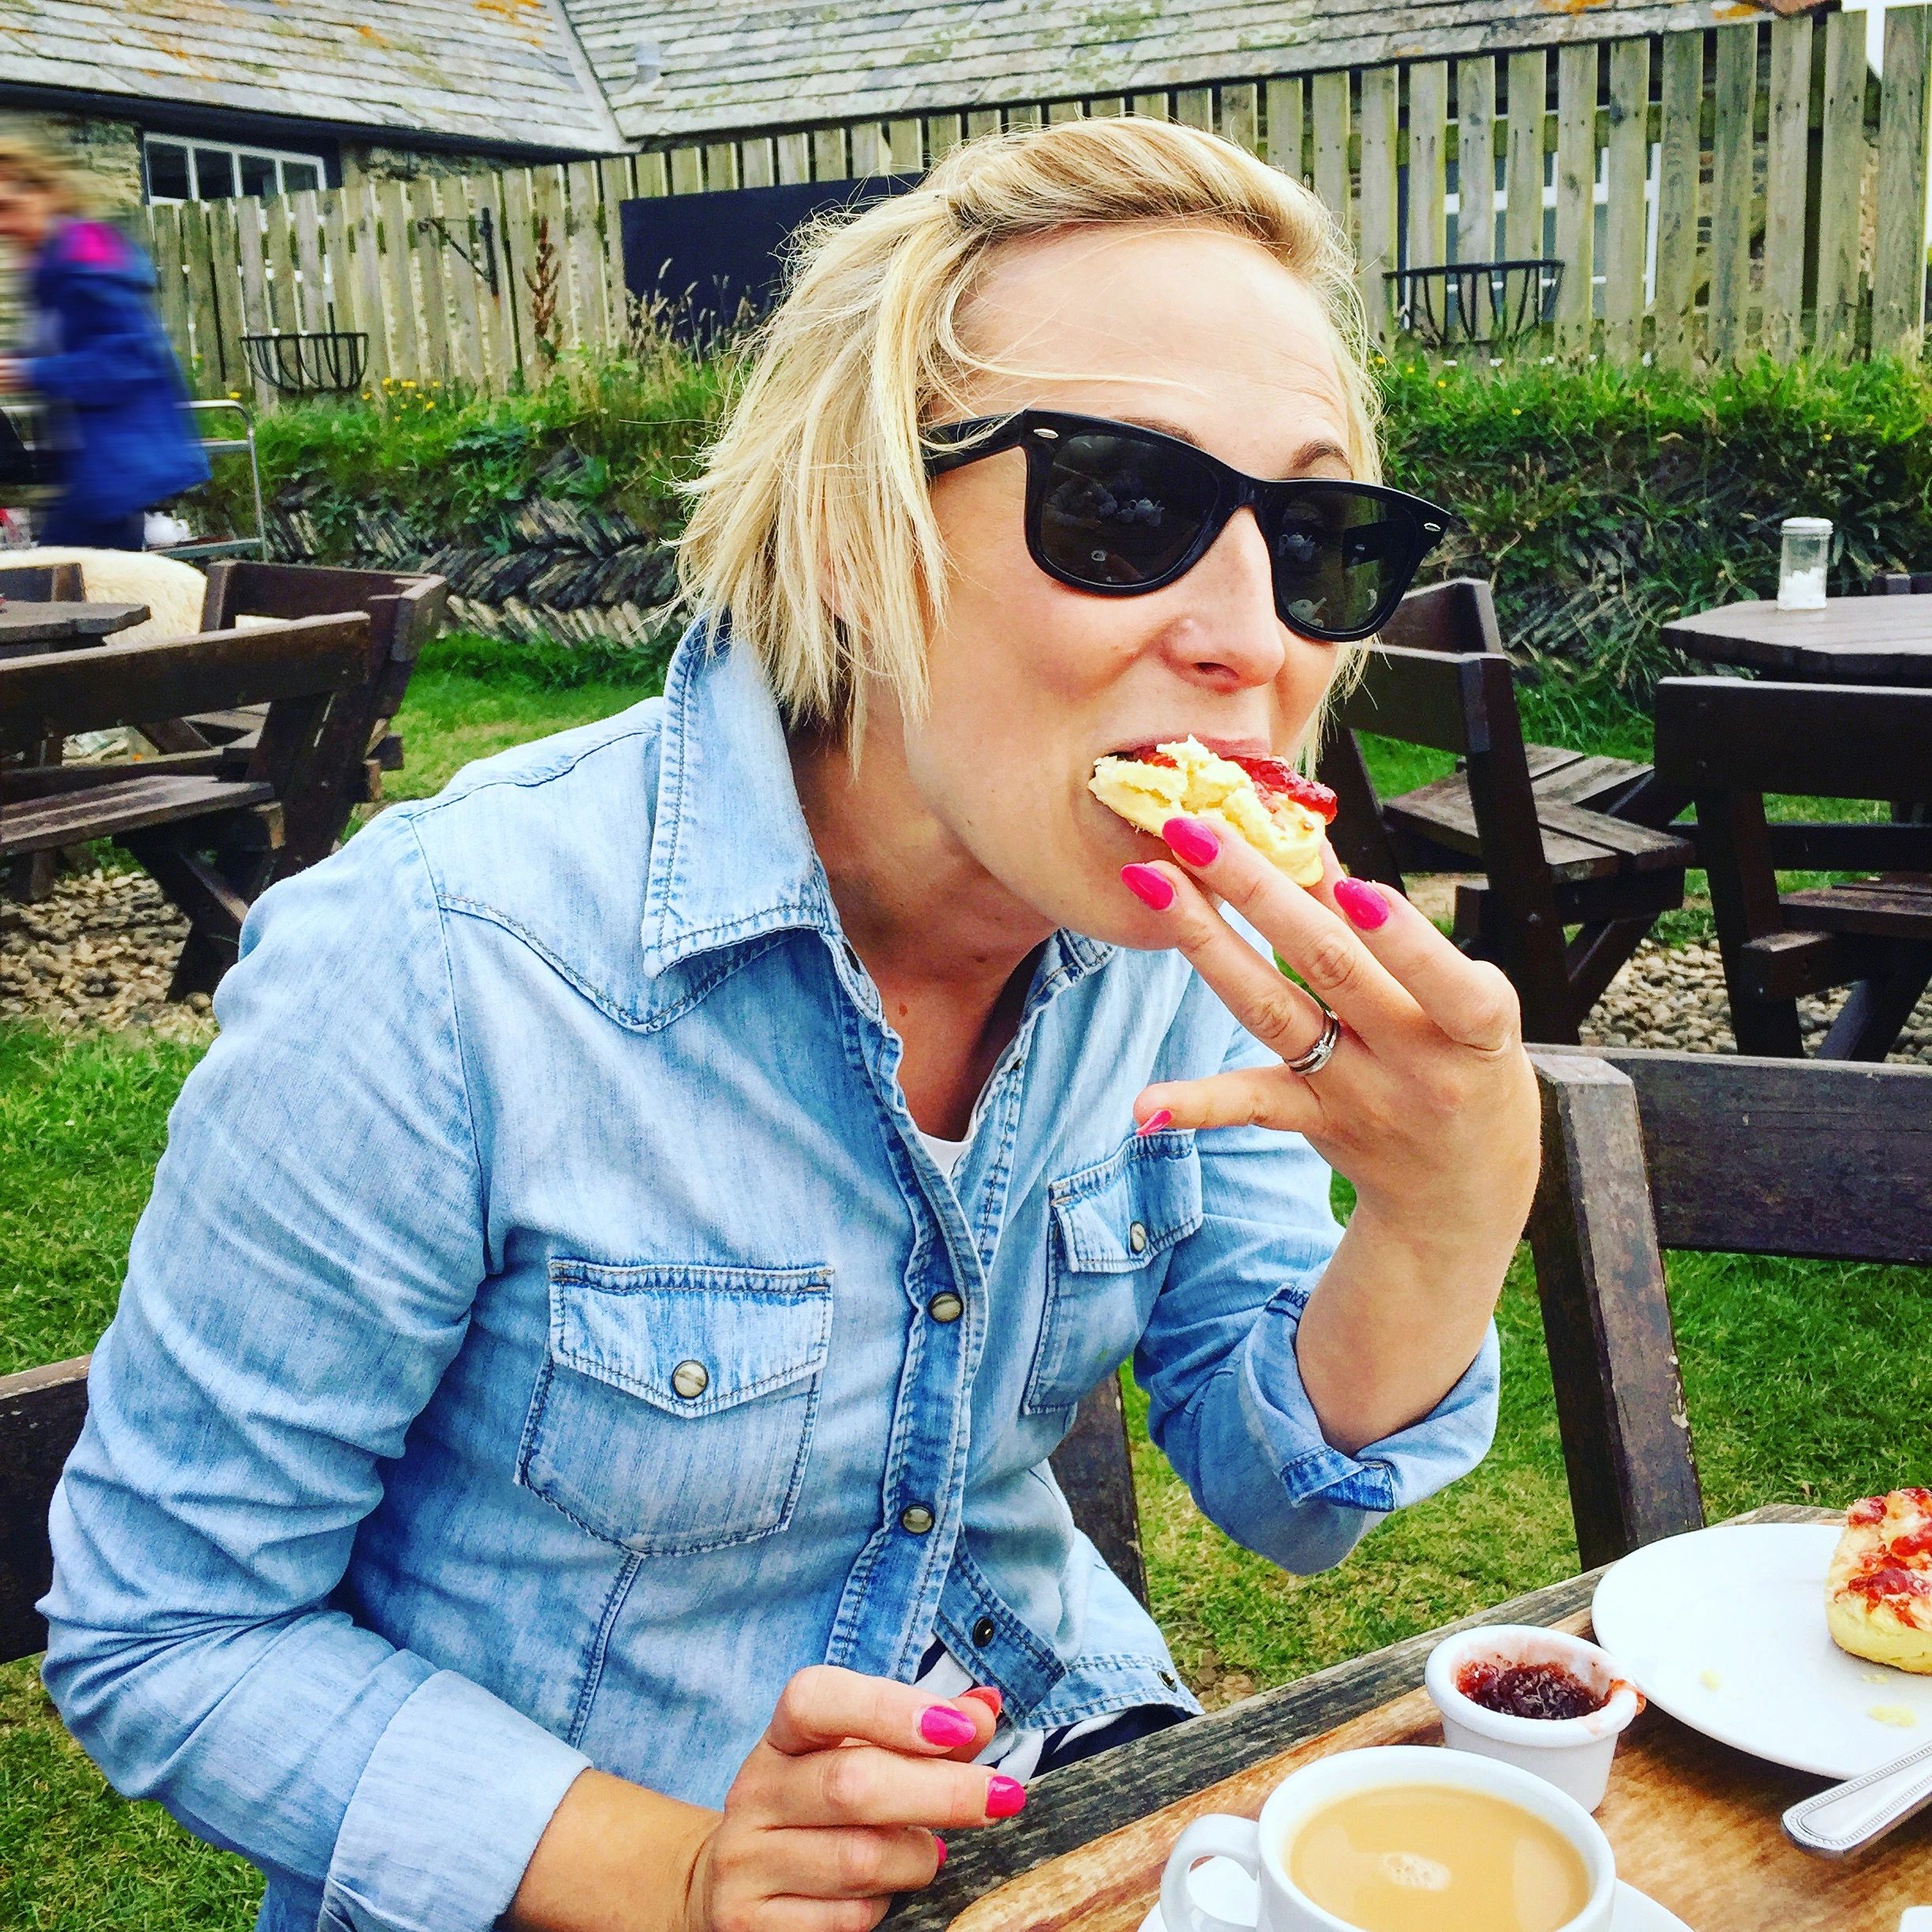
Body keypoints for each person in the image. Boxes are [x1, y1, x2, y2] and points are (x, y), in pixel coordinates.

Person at [40, 119, 1538, 1932]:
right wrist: (668, 1866)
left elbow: (1275, 1482)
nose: (1247, 639)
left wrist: (1441, 1213)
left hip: (1051, 1798)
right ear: (850, 536)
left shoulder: (1157, 949)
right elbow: (167, 1628)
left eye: (1312, 538)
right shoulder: (436, 966)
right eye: (1121, 505)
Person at [0, 137, 208, 549]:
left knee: (65, 589)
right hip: (94, 474)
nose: (2, 225)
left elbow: (128, 359)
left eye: (8, 207)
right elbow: (71, 348)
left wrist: (30, 371)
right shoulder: (51, 264)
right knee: (84, 592)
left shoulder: (87, 253)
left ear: (45, 194)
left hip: (118, 470)